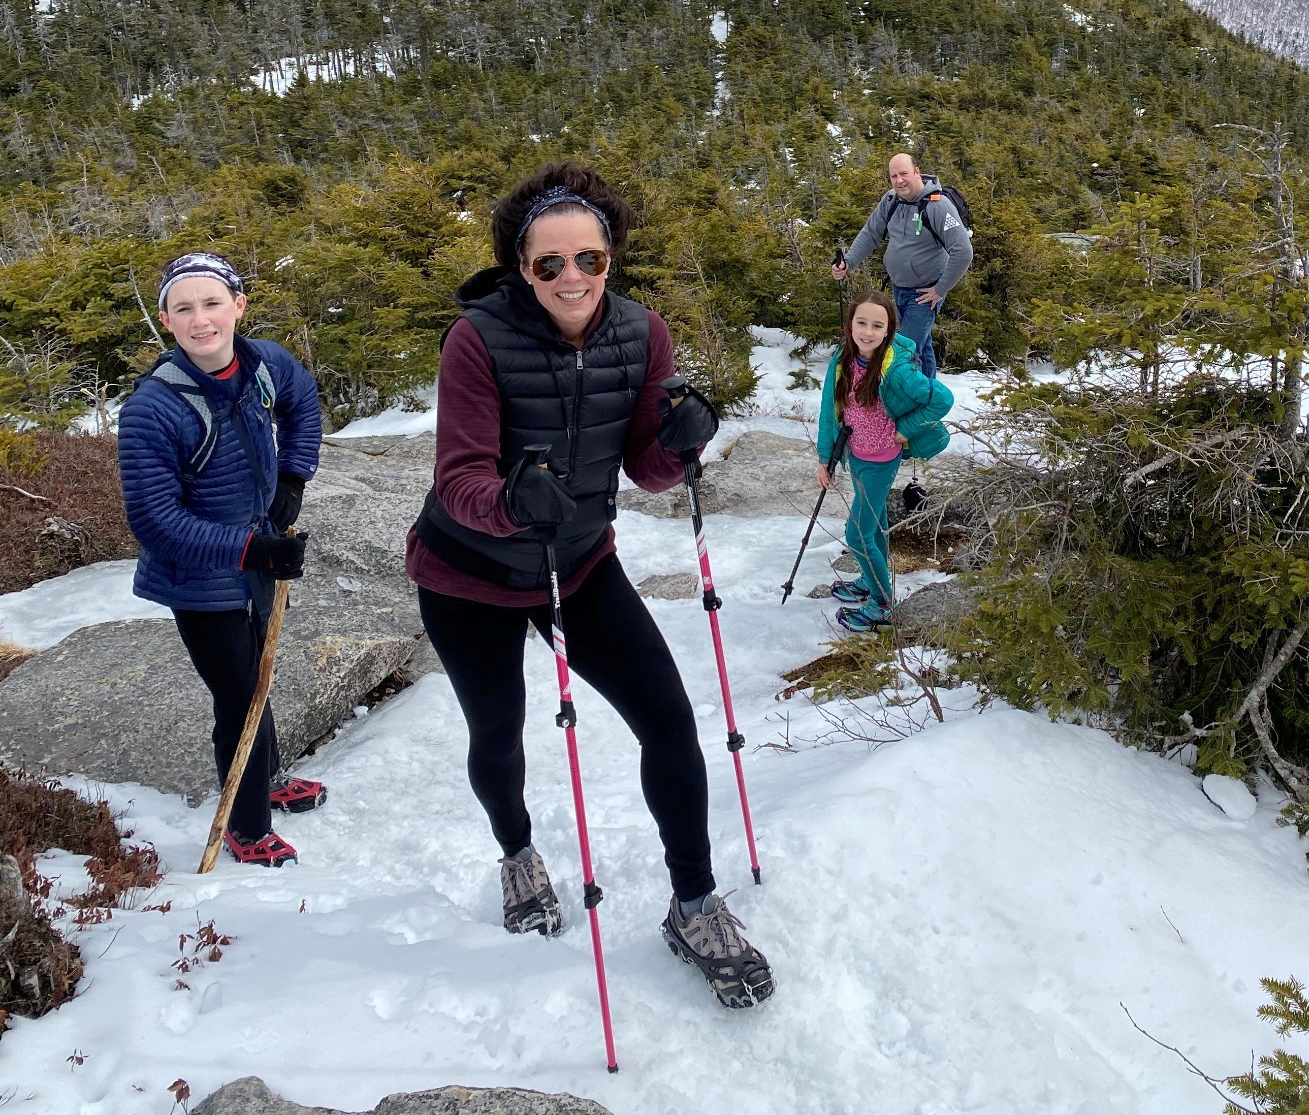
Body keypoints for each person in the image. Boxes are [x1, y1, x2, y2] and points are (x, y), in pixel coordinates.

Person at [407, 159, 774, 1010]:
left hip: (578, 564)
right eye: (549, 263)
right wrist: (510, 502)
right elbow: (459, 477)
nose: (571, 277)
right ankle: (518, 857)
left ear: (610, 258)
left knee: (669, 723)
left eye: (589, 259)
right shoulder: (476, 340)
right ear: (520, 266)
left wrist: (680, 442)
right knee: (498, 731)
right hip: (467, 574)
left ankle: (694, 905)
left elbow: (645, 471)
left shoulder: (643, 333)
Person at [117, 251, 325, 868]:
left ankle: (268, 775)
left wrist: (294, 478)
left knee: (259, 670)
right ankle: (247, 824)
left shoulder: (266, 365)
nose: (200, 319)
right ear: (166, 320)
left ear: (238, 306)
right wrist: (252, 548)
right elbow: (155, 521)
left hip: (257, 549)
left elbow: (303, 403)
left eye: (212, 303)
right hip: (198, 579)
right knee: (237, 693)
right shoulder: (153, 408)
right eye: (183, 308)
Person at [815, 292, 954, 635]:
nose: (868, 332)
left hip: (882, 460)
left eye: (877, 326)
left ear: (889, 330)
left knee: (857, 534)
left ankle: (882, 604)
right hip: (856, 455)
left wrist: (906, 429)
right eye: (861, 322)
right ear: (849, 325)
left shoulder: (897, 370)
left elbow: (943, 399)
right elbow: (829, 413)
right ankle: (870, 579)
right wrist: (825, 459)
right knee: (875, 525)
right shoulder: (843, 360)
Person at [834, 153, 971, 382]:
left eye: (904, 174)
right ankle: (928, 395)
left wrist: (940, 289)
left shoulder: (938, 206)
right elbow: (871, 234)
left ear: (917, 172)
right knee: (922, 348)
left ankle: (907, 398)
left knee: (904, 352)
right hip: (899, 288)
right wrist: (848, 263)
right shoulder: (891, 200)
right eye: (894, 176)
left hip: (925, 294)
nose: (899, 181)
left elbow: (963, 251)